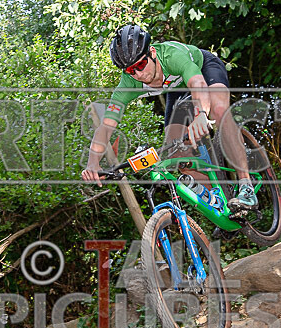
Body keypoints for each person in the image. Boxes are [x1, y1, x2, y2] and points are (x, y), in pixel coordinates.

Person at [81, 24, 258, 213]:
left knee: (220, 110)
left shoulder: (171, 56)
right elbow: (107, 125)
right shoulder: (128, 84)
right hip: (176, 90)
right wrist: (93, 162)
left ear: (152, 53)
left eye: (140, 65)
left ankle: (246, 185)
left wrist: (200, 114)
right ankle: (220, 206)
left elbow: (197, 83)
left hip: (203, 68)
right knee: (175, 151)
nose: (138, 74)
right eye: (131, 70)